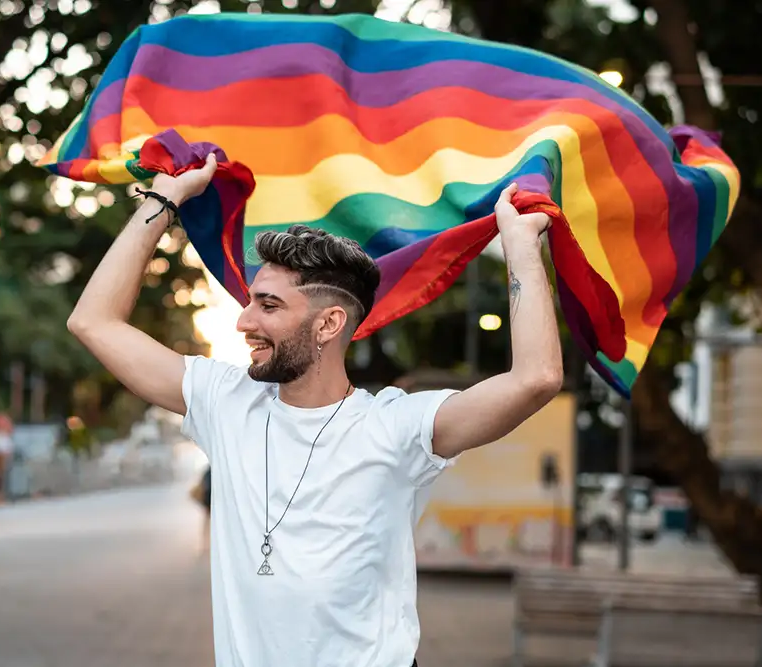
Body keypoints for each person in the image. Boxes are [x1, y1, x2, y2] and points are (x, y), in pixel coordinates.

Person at [67, 154, 563, 667]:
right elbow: (94, 323)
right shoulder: (225, 401)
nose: (244, 320)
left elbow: (536, 379)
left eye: (269, 305)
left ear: (328, 325)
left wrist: (522, 249)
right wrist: (164, 198)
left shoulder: (394, 427)